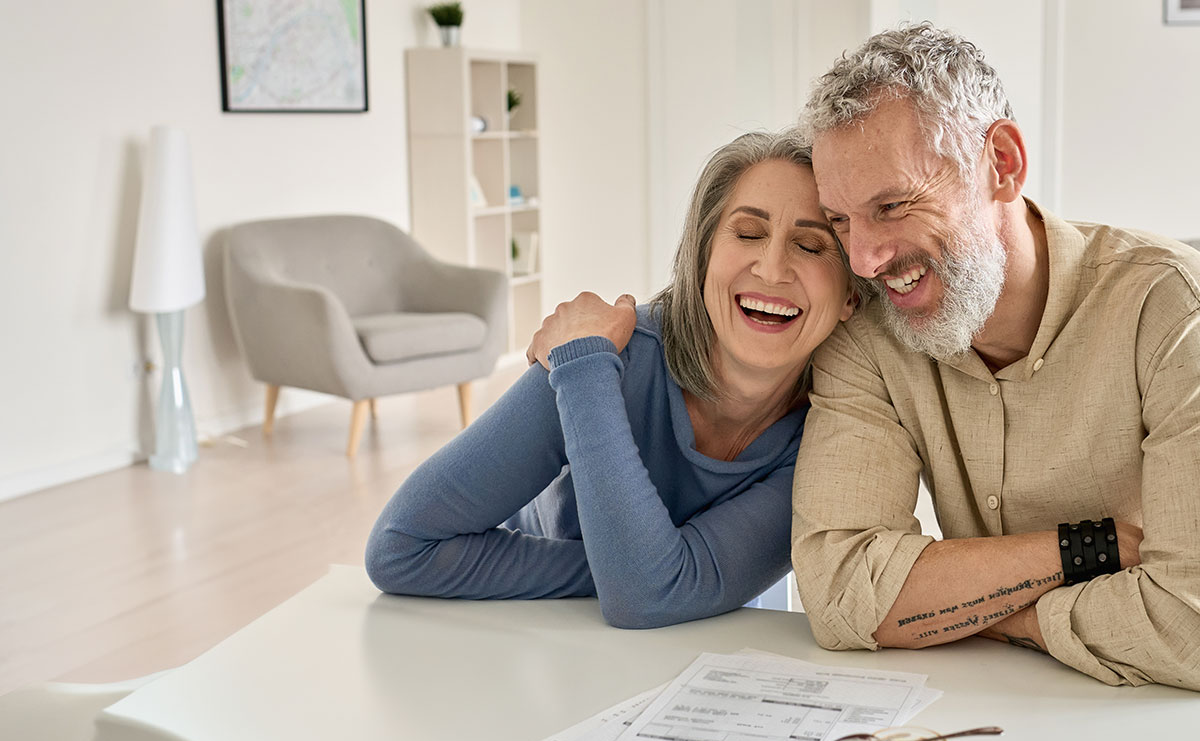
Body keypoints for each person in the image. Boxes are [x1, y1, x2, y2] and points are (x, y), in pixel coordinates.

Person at [790, 22, 1200, 689]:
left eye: (892, 206)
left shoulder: (1172, 309)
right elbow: (840, 593)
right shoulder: (866, 342)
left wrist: (982, 612)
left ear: (1002, 165)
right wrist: (1087, 551)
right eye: (840, 220)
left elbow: (1189, 623)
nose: (864, 259)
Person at [365, 129, 856, 628]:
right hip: (534, 637)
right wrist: (645, 571)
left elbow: (649, 593)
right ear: (704, 256)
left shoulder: (834, 438)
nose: (772, 269)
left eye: (812, 246)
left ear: (852, 297)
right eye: (748, 233)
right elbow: (400, 547)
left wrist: (650, 574)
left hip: (703, 655)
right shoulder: (598, 358)